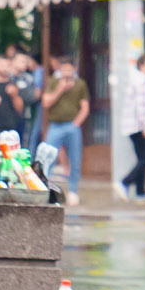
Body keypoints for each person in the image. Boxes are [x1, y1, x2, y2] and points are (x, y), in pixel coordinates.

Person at [39, 57, 89, 205]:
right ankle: (44, 189)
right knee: (47, 158)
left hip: (72, 126)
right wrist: (60, 89)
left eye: (69, 69)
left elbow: (85, 107)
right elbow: (46, 103)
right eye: (63, 69)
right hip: (55, 125)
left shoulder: (80, 84)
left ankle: (73, 190)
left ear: (74, 69)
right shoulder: (53, 82)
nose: (66, 72)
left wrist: (76, 124)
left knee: (75, 159)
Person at [119, 55, 145, 202]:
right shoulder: (141, 81)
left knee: (142, 158)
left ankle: (140, 191)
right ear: (142, 66)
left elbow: (142, 104)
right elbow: (140, 107)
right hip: (137, 125)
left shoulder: (136, 79)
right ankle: (125, 182)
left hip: (132, 124)